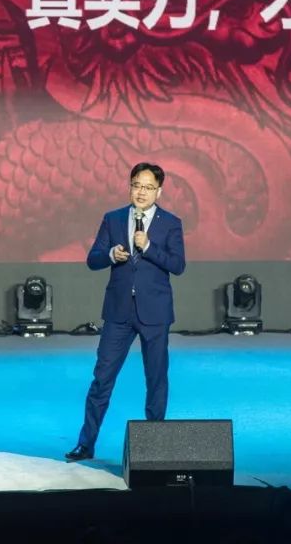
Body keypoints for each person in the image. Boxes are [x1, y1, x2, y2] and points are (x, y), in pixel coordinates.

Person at [66, 162, 186, 461]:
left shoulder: (171, 223)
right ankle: (86, 444)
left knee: (156, 379)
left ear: (159, 191)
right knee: (102, 377)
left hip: (154, 313)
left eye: (148, 187)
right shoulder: (113, 218)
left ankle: (154, 447)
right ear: (129, 187)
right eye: (136, 185)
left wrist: (149, 247)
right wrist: (110, 254)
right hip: (118, 312)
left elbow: (178, 265)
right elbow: (93, 259)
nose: (141, 192)